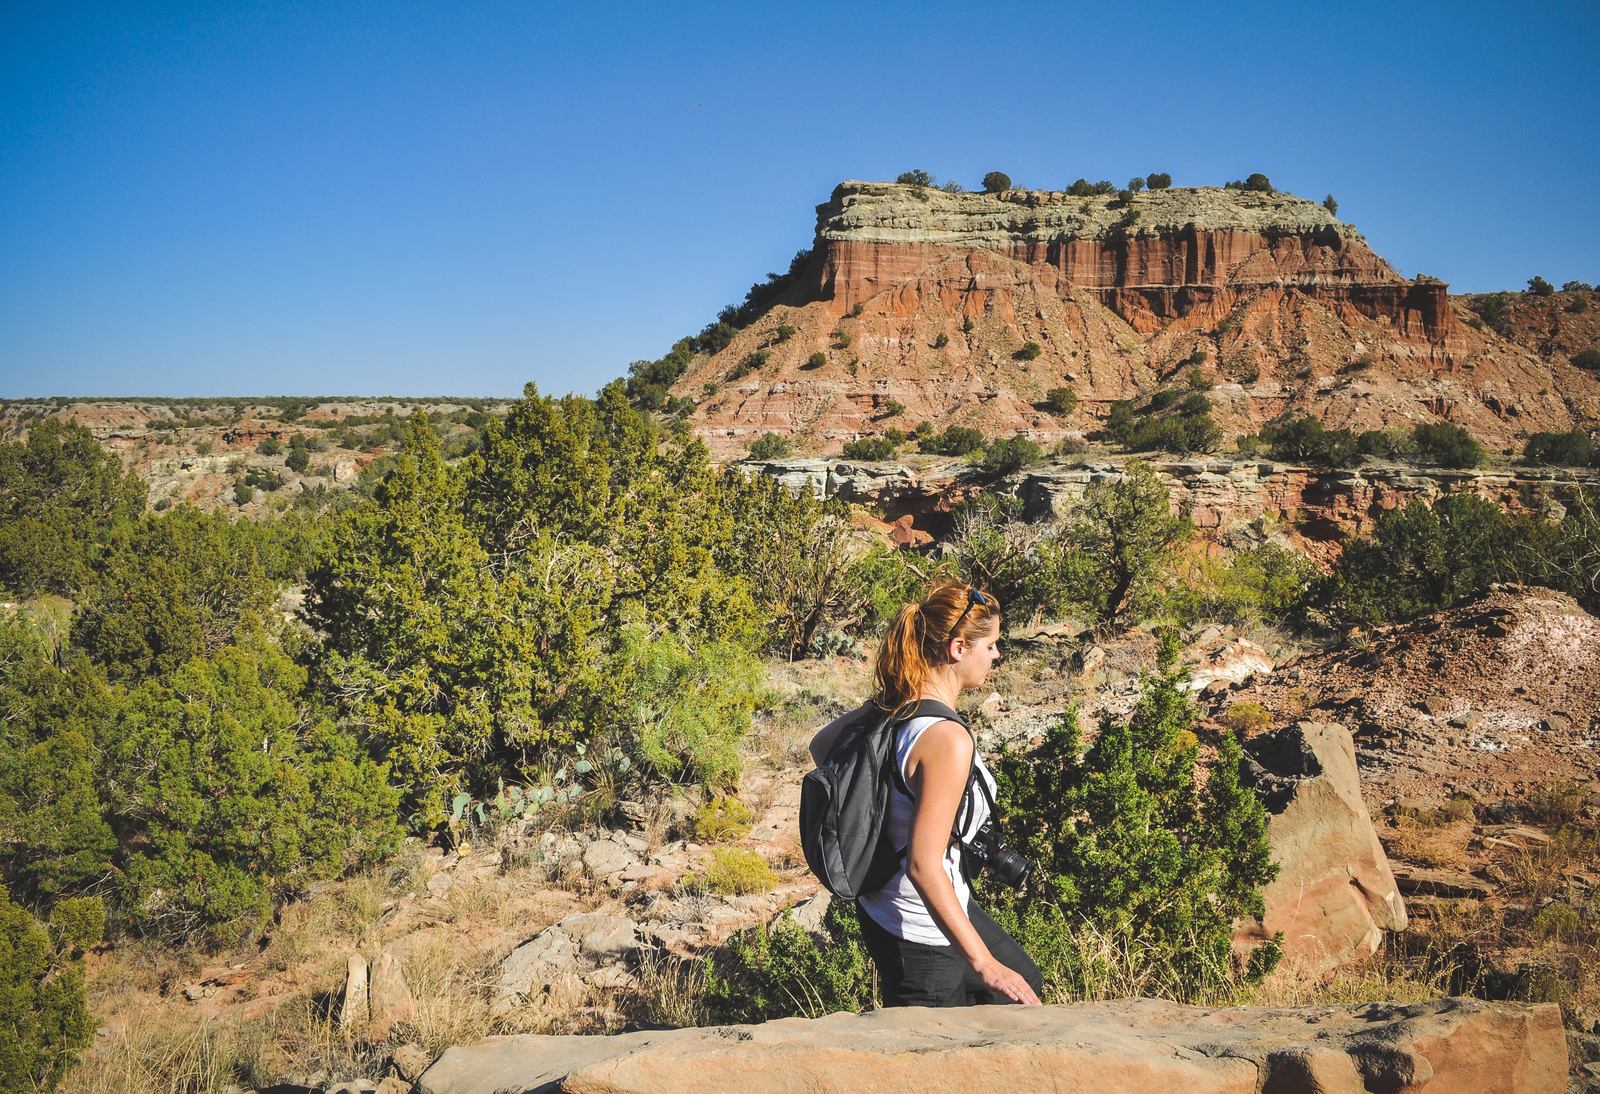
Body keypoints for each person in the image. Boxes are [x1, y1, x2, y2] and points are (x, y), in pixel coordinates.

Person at [810, 581, 1043, 1007]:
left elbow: (821, 747)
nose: (997, 655)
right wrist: (984, 963)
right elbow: (922, 864)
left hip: (885, 906)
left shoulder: (899, 710)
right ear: (958, 648)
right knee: (940, 1051)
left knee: (1024, 979)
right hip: (919, 933)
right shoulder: (946, 739)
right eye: (990, 645)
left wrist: (890, 699)